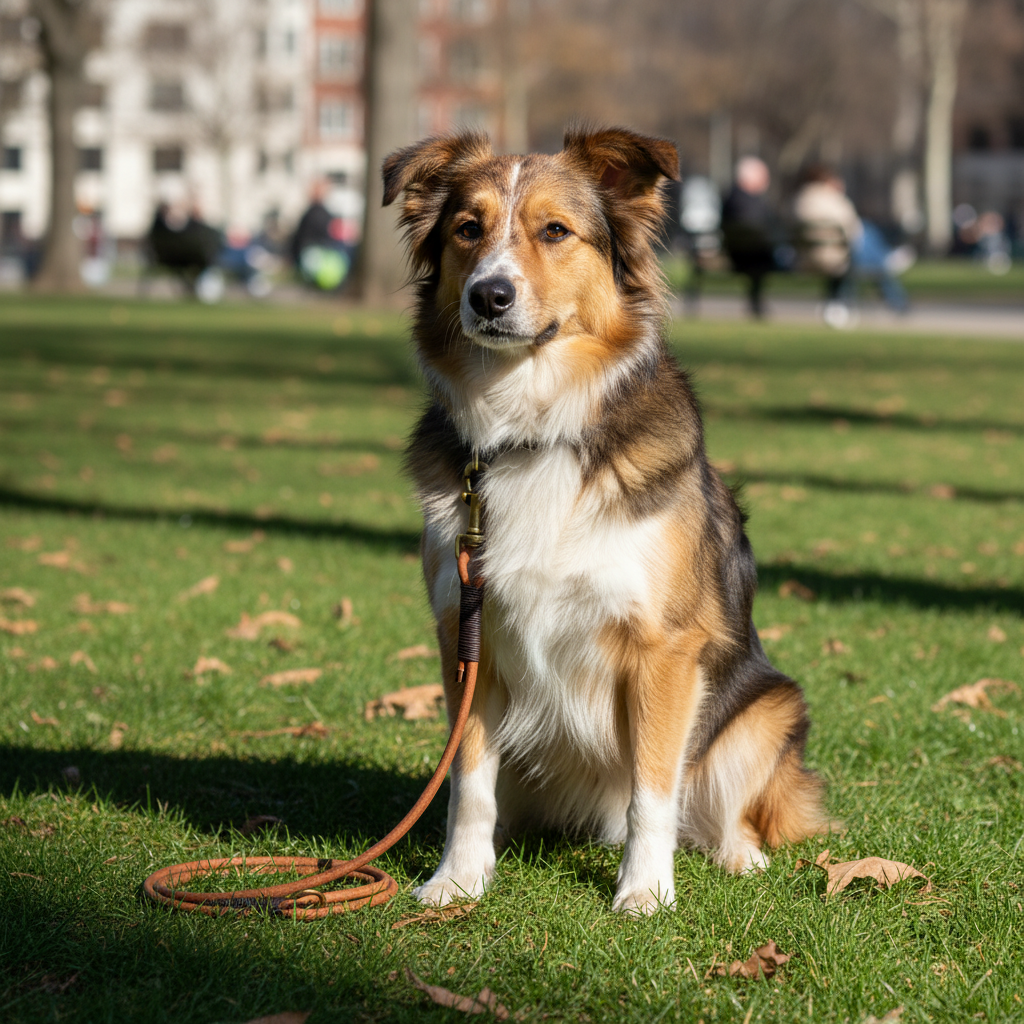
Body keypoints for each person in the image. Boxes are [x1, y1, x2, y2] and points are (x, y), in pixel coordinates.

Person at [720, 157, 780, 318]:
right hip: (754, 255)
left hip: (738, 253)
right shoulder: (752, 204)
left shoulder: (730, 198)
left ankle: (756, 302)